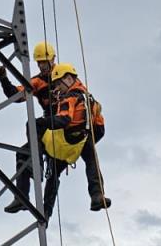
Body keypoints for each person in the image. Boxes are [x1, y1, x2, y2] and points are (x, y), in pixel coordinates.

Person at [41, 62, 111, 215]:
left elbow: (64, 119)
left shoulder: (71, 98)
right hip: (78, 139)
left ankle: (45, 212)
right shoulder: (87, 98)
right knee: (91, 161)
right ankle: (97, 195)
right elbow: (100, 128)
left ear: (67, 79)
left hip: (65, 141)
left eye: (59, 83)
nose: (58, 88)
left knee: (54, 174)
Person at [0, 41, 55, 213]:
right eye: (40, 63)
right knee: (23, 152)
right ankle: (21, 197)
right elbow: (17, 95)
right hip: (48, 126)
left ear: (52, 59)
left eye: (44, 62)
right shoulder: (37, 81)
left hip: (66, 123)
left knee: (54, 174)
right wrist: (3, 79)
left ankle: (37, 162)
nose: (42, 66)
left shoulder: (65, 76)